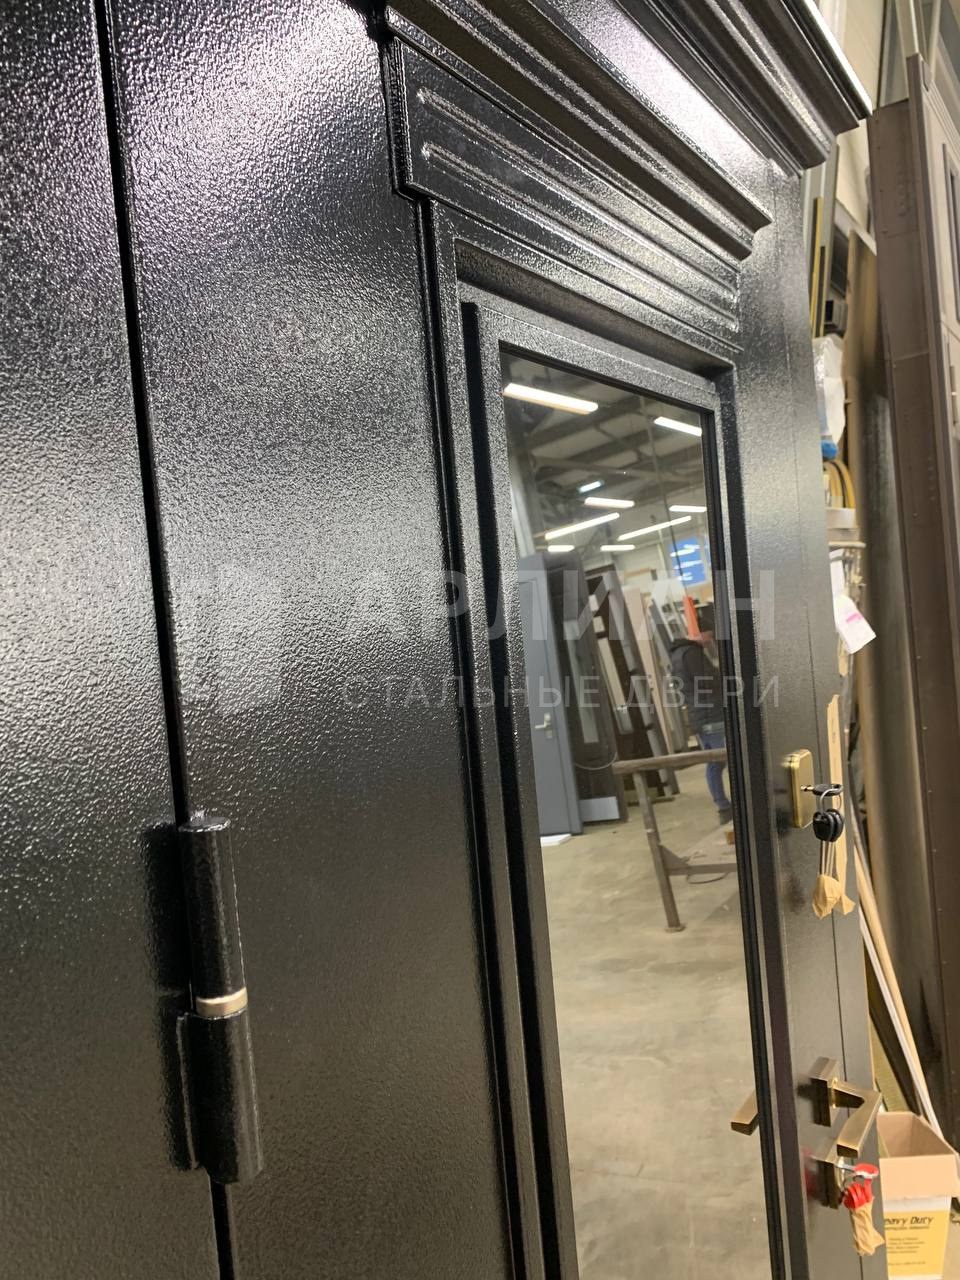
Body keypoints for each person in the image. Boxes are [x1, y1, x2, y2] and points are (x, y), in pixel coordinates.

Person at [668, 603, 732, 823]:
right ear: (700, 633)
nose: (709, 640)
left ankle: (723, 804)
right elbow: (708, 682)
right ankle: (724, 806)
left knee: (715, 760)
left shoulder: (679, 653)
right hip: (709, 714)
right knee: (720, 760)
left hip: (701, 714)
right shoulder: (692, 653)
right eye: (709, 635)